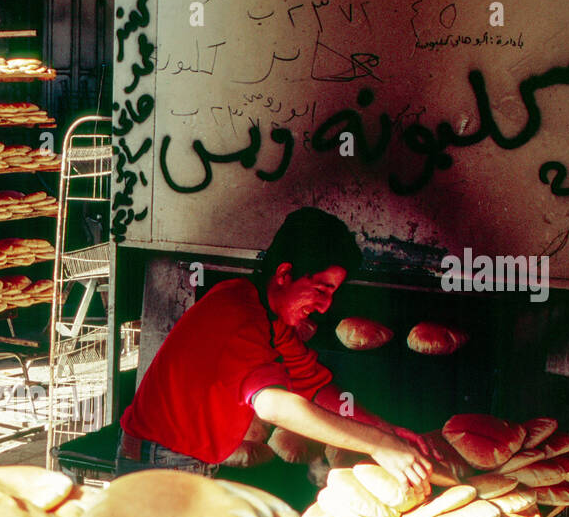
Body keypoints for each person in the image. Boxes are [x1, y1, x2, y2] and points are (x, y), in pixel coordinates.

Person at [116, 206, 434, 493]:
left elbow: (315, 386)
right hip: (158, 467)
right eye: (321, 289)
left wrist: (386, 430)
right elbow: (274, 407)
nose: (325, 307)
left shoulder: (266, 315)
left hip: (175, 461)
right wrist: (378, 445)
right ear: (284, 274)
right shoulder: (239, 314)